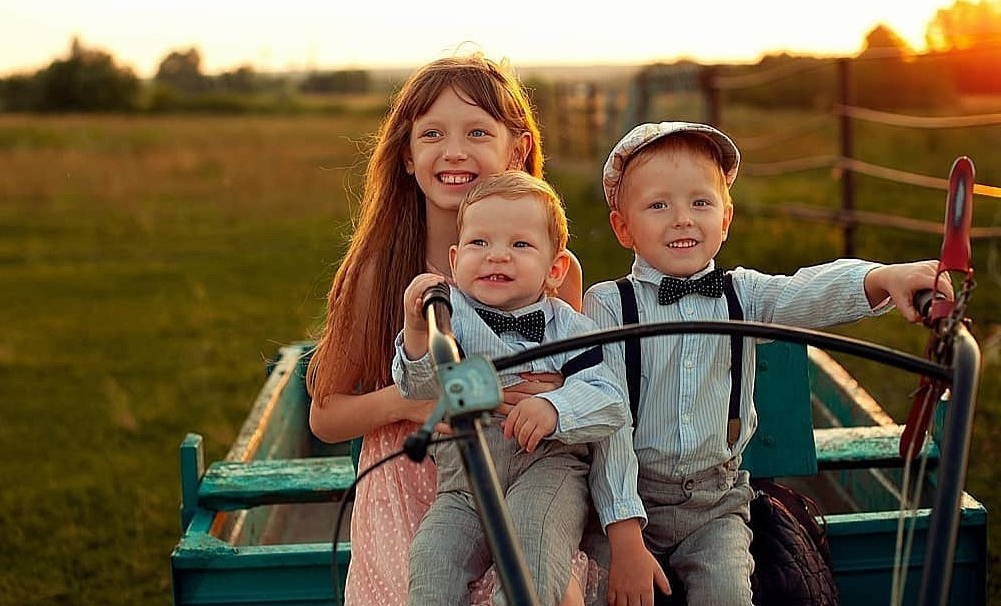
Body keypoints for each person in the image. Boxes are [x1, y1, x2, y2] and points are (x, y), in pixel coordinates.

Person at [581, 121, 953, 606]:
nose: (682, 219)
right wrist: (624, 538)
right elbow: (605, 425)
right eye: (658, 205)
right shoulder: (608, 306)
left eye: (700, 202)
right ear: (623, 227)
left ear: (726, 217)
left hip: (716, 504)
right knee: (601, 593)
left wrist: (880, 277)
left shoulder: (744, 295)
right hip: (627, 501)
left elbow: (808, 292)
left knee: (730, 595)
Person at [306, 53, 595, 606]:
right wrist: (418, 404)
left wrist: (559, 393)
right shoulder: (381, 270)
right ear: (408, 157)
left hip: (526, 477)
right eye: (432, 133)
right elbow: (325, 415)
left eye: (477, 132)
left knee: (552, 592)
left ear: (517, 150)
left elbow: (576, 381)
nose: (454, 150)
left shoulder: (557, 270)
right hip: (413, 490)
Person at [394, 171, 627, 606]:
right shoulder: (448, 317)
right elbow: (419, 387)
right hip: (463, 482)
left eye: (519, 245)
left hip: (545, 469)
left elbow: (610, 399)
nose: (496, 256)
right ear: (455, 256)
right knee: (431, 561)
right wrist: (416, 331)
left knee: (529, 560)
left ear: (555, 269)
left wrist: (555, 407)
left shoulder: (571, 328)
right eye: (479, 243)